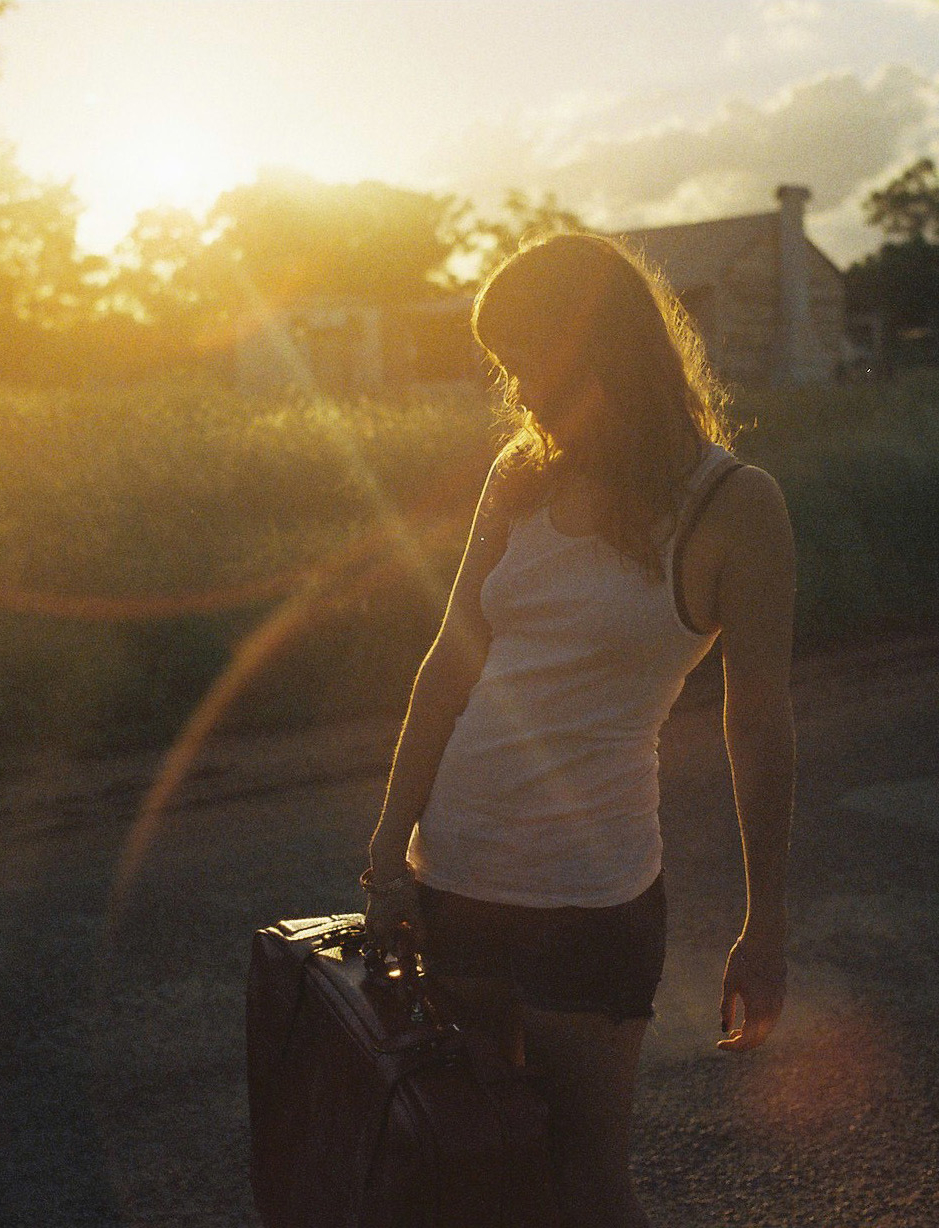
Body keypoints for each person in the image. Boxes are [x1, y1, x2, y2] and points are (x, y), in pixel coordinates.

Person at [360, 231, 797, 1227]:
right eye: (505, 366)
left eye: (529, 362)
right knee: (473, 1179)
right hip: (453, 879)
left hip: (589, 902)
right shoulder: (518, 474)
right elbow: (447, 668)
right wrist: (388, 849)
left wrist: (764, 924)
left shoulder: (735, 504)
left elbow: (759, 725)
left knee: (586, 1185)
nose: (517, 392)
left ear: (596, 345)